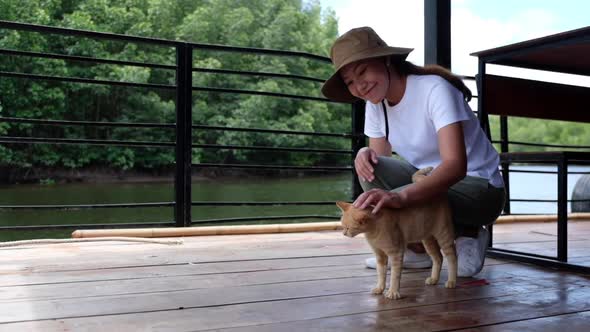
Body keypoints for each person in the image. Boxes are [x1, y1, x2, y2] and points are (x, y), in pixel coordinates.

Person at [321, 26, 506, 277]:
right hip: (430, 182)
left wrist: (401, 197)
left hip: (479, 189)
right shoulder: (376, 105)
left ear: (385, 59)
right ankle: (417, 247)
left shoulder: (434, 89)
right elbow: (381, 168)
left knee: (389, 196)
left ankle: (468, 233)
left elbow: (455, 166)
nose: (359, 86)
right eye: (350, 82)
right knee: (370, 167)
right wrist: (364, 153)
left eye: (362, 71)